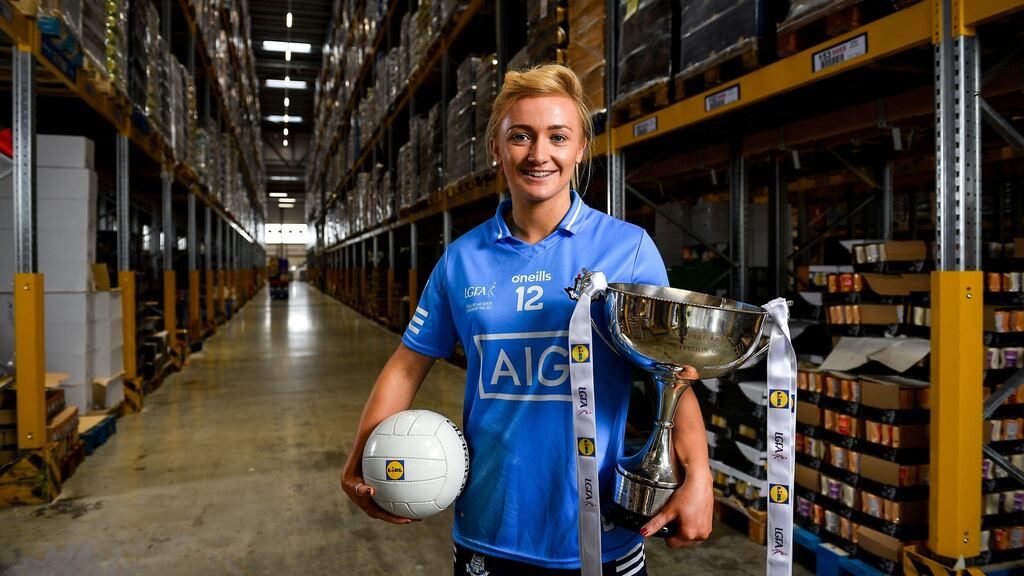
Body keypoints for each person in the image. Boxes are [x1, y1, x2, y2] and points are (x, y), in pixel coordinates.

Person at [341, 64, 713, 575]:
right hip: (490, 528)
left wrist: (700, 474)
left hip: (598, 531)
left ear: (581, 148)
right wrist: (361, 456)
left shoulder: (628, 250)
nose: (540, 154)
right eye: (521, 136)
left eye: (558, 136)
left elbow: (671, 378)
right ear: (496, 148)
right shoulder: (461, 260)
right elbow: (407, 365)